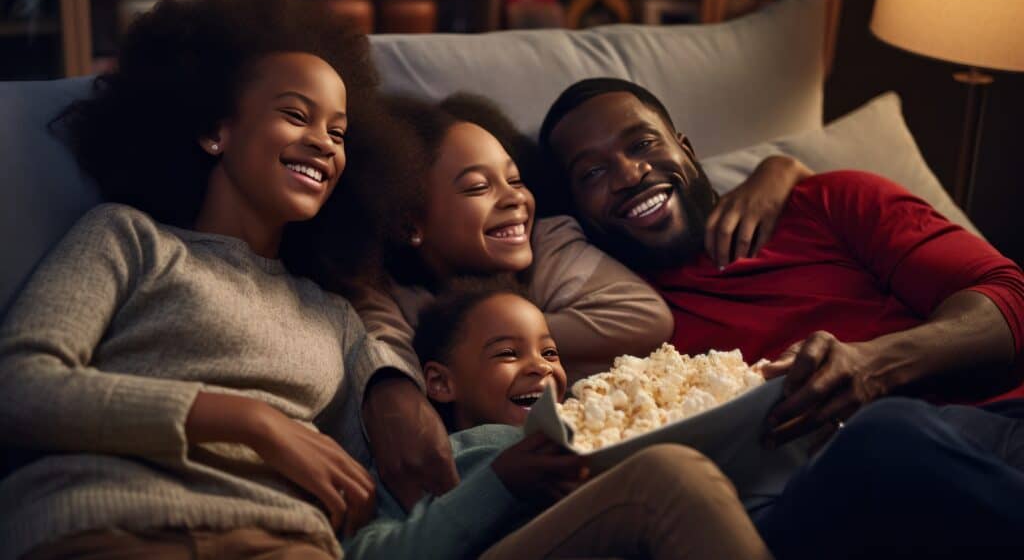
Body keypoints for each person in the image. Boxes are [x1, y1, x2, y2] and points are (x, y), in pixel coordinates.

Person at [0, 0, 423, 558]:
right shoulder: (127, 238)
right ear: (213, 131)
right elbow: (18, 387)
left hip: (283, 543)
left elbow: (385, 480)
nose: (324, 142)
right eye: (297, 114)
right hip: (108, 524)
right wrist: (250, 421)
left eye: (339, 133)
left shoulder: (334, 317)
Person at [537, 77, 1024, 557]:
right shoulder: (618, 336)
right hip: (815, 505)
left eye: (642, 143)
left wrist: (876, 363)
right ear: (575, 214)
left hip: (991, 430)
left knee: (883, 432)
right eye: (592, 174)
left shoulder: (826, 202)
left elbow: (1010, 297)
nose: (628, 174)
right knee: (873, 441)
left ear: (685, 149)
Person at [342, 94, 811, 509]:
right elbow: (382, 346)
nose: (513, 200)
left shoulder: (548, 244)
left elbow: (645, 317)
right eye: (478, 187)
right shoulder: (384, 291)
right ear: (409, 224)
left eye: (515, 180)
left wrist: (482, 339)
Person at [344, 282, 773, 560]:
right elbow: (367, 554)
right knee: (673, 472)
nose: (541, 368)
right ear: (440, 382)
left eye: (550, 352)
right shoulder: (429, 457)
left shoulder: (598, 424)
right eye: (508, 354)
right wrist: (499, 482)